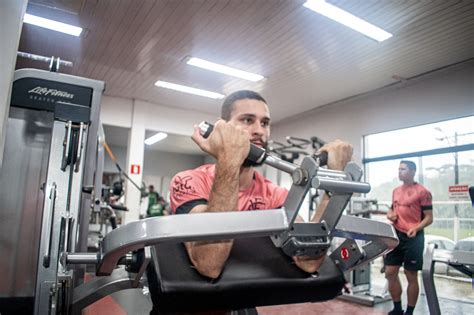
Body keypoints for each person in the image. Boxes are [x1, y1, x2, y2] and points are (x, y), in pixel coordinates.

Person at [169, 90, 353, 279]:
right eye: (248, 120)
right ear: (223, 128)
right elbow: (209, 265)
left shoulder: (273, 195)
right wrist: (229, 158)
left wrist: (334, 180)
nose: (259, 130)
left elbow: (309, 262)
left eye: (264, 123)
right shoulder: (189, 181)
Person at [385, 160, 433, 315]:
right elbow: (392, 210)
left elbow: (429, 217)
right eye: (399, 169)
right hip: (396, 235)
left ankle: (409, 312)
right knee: (390, 272)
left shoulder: (422, 192)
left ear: (413, 171)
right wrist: (390, 215)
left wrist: (416, 227)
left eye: (403, 169)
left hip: (414, 236)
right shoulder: (396, 191)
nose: (399, 172)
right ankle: (397, 308)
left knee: (411, 274)